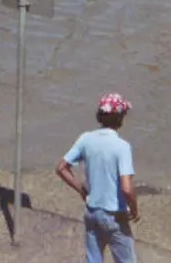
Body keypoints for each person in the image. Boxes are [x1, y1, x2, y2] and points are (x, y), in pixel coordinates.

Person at [56, 93, 139, 263]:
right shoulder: (122, 147)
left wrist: (81, 189)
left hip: (92, 212)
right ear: (120, 118)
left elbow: (61, 168)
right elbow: (126, 188)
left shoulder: (86, 139)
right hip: (114, 216)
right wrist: (134, 209)